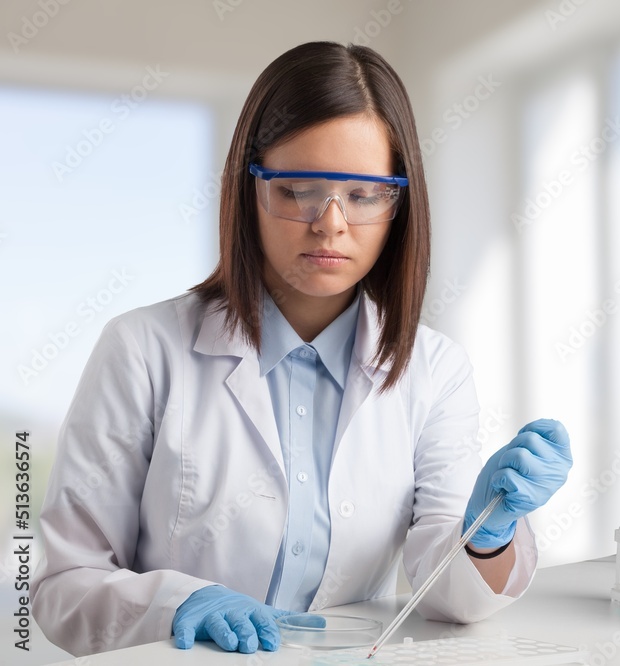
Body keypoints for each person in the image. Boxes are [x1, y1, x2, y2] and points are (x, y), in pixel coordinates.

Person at [33, 41, 572, 657]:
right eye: (298, 190)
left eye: (365, 195)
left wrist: (489, 533)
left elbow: (447, 597)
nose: (331, 224)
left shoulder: (434, 370)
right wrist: (179, 603)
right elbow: (64, 587)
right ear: (250, 189)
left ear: (399, 204)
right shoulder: (142, 350)